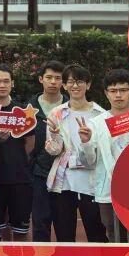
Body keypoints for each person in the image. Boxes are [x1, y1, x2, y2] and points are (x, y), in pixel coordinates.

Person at [43, 64, 109, 243]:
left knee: (97, 235)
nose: (75, 86)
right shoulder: (56, 113)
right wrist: (55, 135)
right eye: (70, 82)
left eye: (80, 81)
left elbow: (103, 151)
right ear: (64, 85)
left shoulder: (101, 115)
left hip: (93, 183)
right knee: (64, 236)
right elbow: (53, 151)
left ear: (88, 84)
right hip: (64, 183)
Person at [89, 68, 129, 243]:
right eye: (113, 91)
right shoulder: (95, 124)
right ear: (106, 93)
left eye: (123, 90)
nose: (118, 95)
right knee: (113, 231)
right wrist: (86, 143)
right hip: (108, 189)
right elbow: (88, 160)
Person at [0, 64, 32, 242]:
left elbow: (30, 143)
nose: (2, 85)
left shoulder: (22, 111)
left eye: (6, 81)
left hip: (19, 178)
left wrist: (19, 160)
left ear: (12, 83)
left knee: (21, 229)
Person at [28, 60, 67, 242]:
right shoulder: (27, 109)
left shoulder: (71, 107)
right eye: (49, 77)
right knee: (40, 223)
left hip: (66, 174)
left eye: (58, 78)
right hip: (38, 173)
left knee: (65, 225)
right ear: (40, 79)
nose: (53, 82)